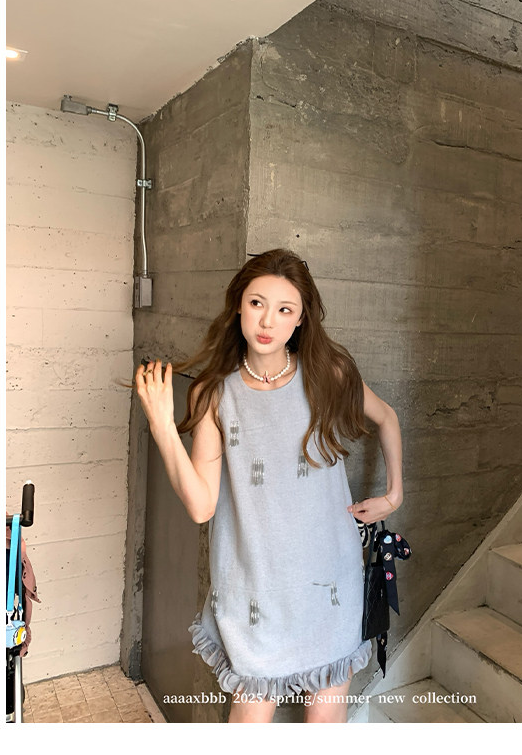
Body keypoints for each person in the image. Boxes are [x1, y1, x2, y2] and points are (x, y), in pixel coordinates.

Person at [135, 248, 403, 723]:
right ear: (239, 305)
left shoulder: (328, 374)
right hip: (254, 585)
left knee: (325, 722)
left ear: (300, 320)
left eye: (284, 309)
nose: (267, 321)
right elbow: (201, 506)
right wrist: (160, 424)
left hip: (329, 578)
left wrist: (394, 495)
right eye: (257, 303)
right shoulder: (214, 393)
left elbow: (386, 417)